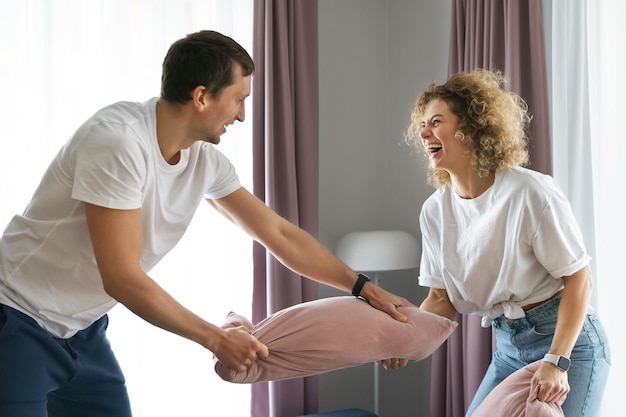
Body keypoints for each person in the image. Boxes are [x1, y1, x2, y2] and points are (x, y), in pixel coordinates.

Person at [0, 30, 413, 417]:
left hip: (82, 330)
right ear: (201, 96)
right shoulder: (118, 143)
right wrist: (216, 339)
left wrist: (363, 287)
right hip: (16, 319)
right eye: (238, 100)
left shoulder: (204, 161)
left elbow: (279, 234)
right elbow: (122, 278)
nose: (243, 116)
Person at [385, 69, 610, 416]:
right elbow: (440, 299)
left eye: (436, 122)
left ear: (472, 129)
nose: (423, 132)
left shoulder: (529, 192)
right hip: (508, 346)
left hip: (568, 342)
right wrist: (408, 339)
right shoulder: (434, 211)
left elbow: (579, 279)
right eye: (422, 124)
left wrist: (557, 360)